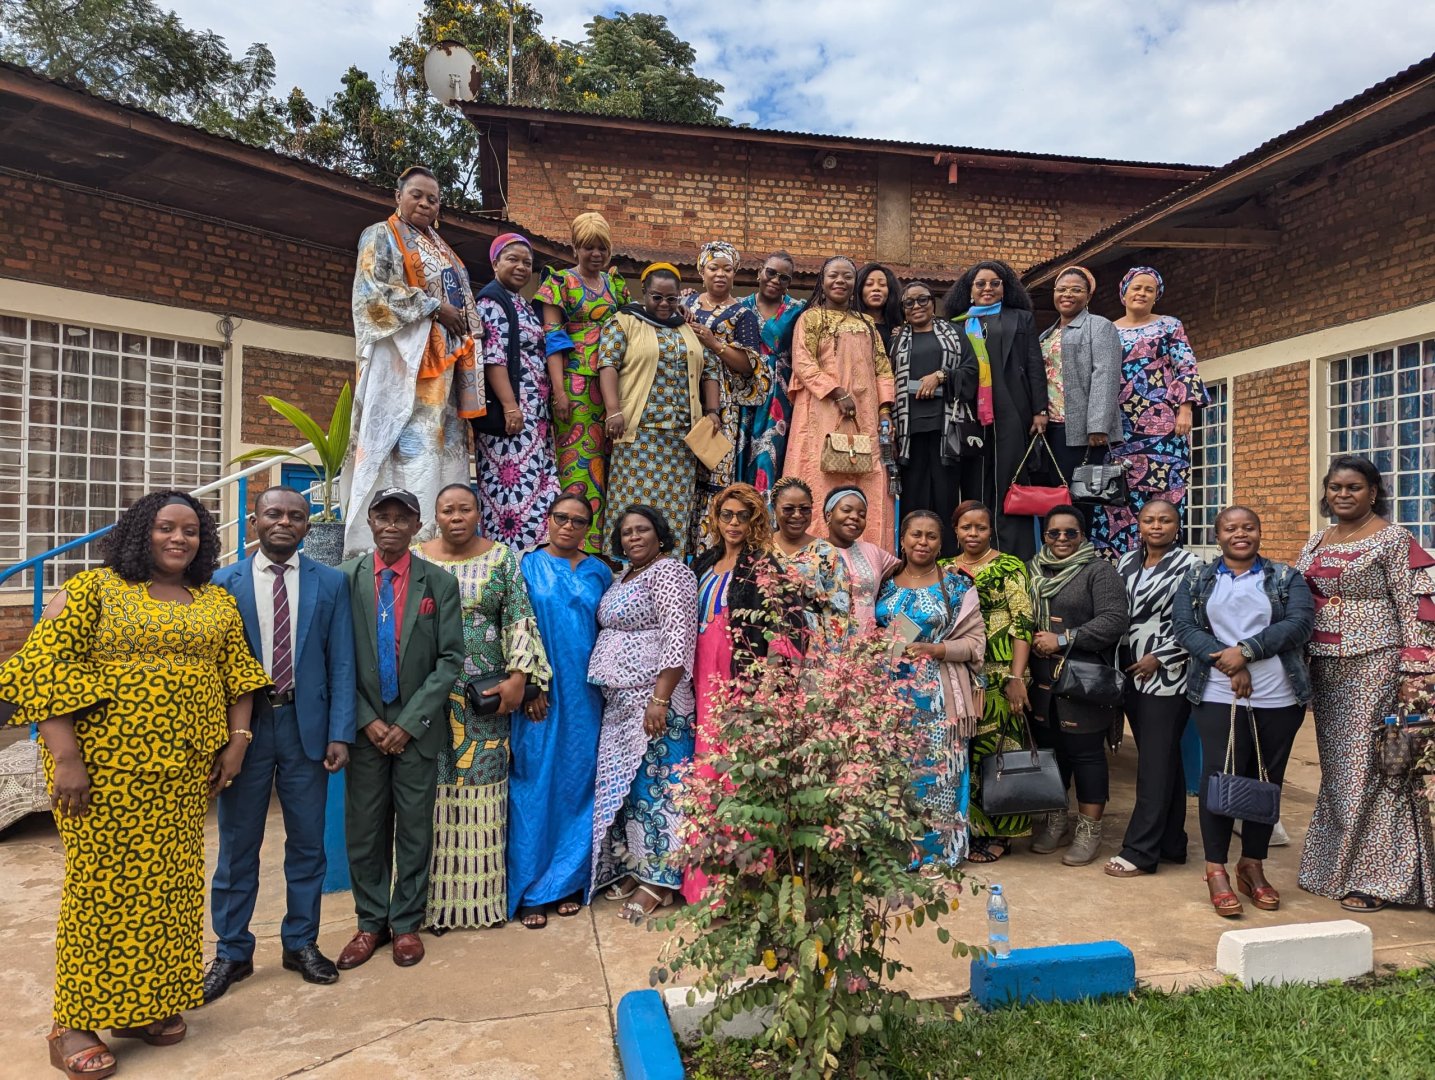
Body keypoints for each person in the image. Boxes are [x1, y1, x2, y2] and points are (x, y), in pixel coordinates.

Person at [0, 490, 268, 1079]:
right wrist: (65, 754)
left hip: (183, 775)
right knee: (102, 893)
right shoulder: (95, 591)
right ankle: (71, 1024)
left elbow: (240, 677)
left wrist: (237, 741)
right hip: (103, 774)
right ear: (140, 531)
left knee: (169, 893)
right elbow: (42, 670)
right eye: (167, 528)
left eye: (192, 531)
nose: (180, 539)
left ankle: (143, 1006)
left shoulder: (214, 602)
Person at [204, 486, 356, 1003]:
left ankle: (300, 943)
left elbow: (342, 663)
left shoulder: (330, 583)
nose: (284, 523)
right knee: (238, 842)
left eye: (295, 515)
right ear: (253, 521)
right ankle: (232, 951)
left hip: (305, 728)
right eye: (273, 514)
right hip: (243, 732)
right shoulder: (221, 584)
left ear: (307, 526)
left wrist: (340, 732)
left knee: (307, 843)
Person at [1295, 456, 1435, 911]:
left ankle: (1380, 878)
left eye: (1353, 487)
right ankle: (1332, 867)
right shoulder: (1318, 539)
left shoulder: (1394, 539)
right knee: (1340, 772)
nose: (1343, 494)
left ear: (1373, 491)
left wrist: (1415, 672)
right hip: (1326, 668)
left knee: (1376, 768)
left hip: (1376, 664)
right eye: (1335, 487)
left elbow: (1416, 605)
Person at [337, 487, 464, 969]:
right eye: (382, 516)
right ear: (369, 521)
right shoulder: (344, 579)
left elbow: (450, 658)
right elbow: (334, 659)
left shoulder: (437, 583)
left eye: (401, 518)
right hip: (363, 727)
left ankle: (406, 923)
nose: (391, 525)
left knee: (414, 828)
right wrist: (366, 719)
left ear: (417, 527)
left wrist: (409, 723)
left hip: (417, 729)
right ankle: (370, 923)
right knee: (365, 830)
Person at [416, 484, 552, 930]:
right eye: (447, 509)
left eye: (465, 509)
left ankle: (481, 903)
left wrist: (520, 679)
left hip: (484, 696)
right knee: (431, 794)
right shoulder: (418, 557)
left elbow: (517, 616)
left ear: (479, 513)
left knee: (484, 788)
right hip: (427, 696)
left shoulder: (502, 558)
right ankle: (436, 906)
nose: (456, 517)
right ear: (435, 515)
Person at [1173, 505, 1313, 916]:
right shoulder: (1198, 577)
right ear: (1218, 536)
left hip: (1278, 696)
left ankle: (1252, 865)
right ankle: (1216, 868)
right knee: (1220, 777)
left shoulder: (1286, 578)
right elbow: (1185, 628)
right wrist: (1227, 661)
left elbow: (1300, 624)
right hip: (1217, 693)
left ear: (1259, 533)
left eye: (1248, 527)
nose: (1240, 534)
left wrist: (1246, 653)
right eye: (1231, 528)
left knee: (1266, 781)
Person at [345, 165, 483, 556]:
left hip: (445, 368)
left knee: (443, 451)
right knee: (408, 447)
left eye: (433, 199)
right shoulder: (380, 234)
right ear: (398, 196)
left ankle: (441, 544)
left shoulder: (441, 246)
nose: (424, 203)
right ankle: (398, 545)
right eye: (417, 195)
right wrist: (435, 307)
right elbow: (373, 293)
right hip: (406, 365)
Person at [508, 494, 614, 925]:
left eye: (579, 521)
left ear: (589, 527)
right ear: (547, 520)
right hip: (540, 696)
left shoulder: (600, 571)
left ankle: (568, 881)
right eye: (561, 518)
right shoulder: (525, 566)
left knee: (577, 784)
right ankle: (532, 888)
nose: (568, 526)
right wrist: (531, 684)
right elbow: (513, 627)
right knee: (533, 784)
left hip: (587, 698)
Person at [589, 505, 698, 922]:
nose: (634, 537)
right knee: (634, 794)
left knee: (662, 791)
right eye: (627, 532)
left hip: (656, 702)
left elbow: (678, 634)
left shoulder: (670, 572)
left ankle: (662, 881)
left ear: (660, 535)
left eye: (643, 530)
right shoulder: (624, 576)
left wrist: (661, 698)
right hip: (622, 702)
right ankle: (639, 868)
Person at [682, 483, 778, 905]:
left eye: (743, 516)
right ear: (716, 520)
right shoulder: (703, 561)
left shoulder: (764, 565)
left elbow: (787, 629)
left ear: (755, 520)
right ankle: (704, 886)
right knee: (705, 766)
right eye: (727, 516)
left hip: (740, 676)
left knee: (735, 772)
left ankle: (741, 887)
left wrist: (767, 681)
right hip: (701, 671)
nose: (734, 523)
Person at [876, 510, 986, 866]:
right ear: (903, 540)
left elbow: (976, 643)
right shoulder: (885, 581)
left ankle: (937, 853)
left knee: (939, 774)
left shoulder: (955, 586)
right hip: (889, 695)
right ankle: (895, 852)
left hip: (939, 695)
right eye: (915, 535)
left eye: (931, 536)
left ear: (941, 543)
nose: (922, 543)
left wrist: (937, 649)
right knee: (894, 772)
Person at [1105, 498, 1203, 878]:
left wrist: (1161, 656)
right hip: (1129, 670)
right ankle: (1172, 843)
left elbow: (1199, 621)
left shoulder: (1192, 566)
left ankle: (1141, 851)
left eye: (1165, 520)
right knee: (1163, 760)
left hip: (1167, 674)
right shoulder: (1126, 562)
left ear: (1178, 526)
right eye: (1149, 520)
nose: (1157, 526)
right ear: (1139, 525)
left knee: (1154, 764)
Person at [1027, 505, 1130, 866]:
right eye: (1054, 533)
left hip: (1083, 682)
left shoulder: (1098, 571)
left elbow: (1115, 619)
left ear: (1082, 536)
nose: (1061, 540)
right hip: (1041, 683)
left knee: (1085, 755)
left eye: (1070, 533)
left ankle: (1089, 830)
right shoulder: (1034, 570)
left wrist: (1064, 638)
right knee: (1052, 754)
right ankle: (1057, 820)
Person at [598, 263, 722, 561]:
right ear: (645, 293)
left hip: (681, 441)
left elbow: (711, 369)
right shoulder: (624, 321)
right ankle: (622, 575)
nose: (665, 305)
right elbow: (608, 364)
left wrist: (713, 411)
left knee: (673, 512)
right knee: (630, 508)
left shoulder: (688, 327)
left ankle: (669, 574)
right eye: (657, 298)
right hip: (638, 436)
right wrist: (613, 410)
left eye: (671, 298)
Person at [1090, 267, 1209, 558]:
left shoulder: (1169, 325)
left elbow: (1186, 367)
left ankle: (1163, 567)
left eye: (1149, 290)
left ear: (1156, 297)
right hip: (1119, 431)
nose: (1141, 293)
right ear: (1124, 293)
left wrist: (1185, 410)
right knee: (1116, 501)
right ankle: (1117, 573)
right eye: (1137, 288)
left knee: (1163, 499)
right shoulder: (1107, 329)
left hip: (1163, 430)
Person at [536, 211, 630, 553]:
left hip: (613, 389)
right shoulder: (560, 283)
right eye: (588, 248)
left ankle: (606, 549)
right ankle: (577, 546)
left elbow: (633, 325)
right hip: (575, 387)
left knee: (609, 466)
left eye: (602, 248)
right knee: (578, 465)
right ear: (575, 247)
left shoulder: (615, 286)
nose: (596, 255)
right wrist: (559, 392)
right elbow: (553, 338)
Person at [941, 259, 1049, 559]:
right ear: (969, 290)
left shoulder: (1021, 318)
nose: (987, 288)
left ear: (1005, 288)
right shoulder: (958, 324)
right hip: (969, 413)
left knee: (1010, 480)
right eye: (980, 284)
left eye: (994, 283)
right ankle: (976, 551)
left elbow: (1034, 365)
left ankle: (1014, 555)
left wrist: (1040, 409)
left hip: (1012, 408)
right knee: (976, 478)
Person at [948, 500, 1036, 863]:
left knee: (1001, 751)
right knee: (963, 753)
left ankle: (1004, 832)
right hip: (958, 673)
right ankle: (969, 830)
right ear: (956, 531)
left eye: (980, 527)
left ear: (990, 530)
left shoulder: (1009, 566)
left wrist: (1017, 676)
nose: (973, 534)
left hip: (1001, 673)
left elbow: (1023, 622)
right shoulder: (944, 568)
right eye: (966, 527)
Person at [788, 255, 896, 548]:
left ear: (854, 284)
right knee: (820, 471)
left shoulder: (867, 323)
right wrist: (837, 392)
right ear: (822, 282)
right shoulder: (811, 318)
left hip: (865, 415)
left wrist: (885, 410)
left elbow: (883, 369)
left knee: (868, 474)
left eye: (847, 277)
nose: (840, 282)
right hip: (821, 410)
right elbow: (803, 362)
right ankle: (815, 549)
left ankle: (872, 552)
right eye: (833, 276)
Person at [682, 241, 771, 553]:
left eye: (727, 269)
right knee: (683, 475)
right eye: (713, 268)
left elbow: (751, 366)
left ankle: (709, 549)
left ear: (735, 274)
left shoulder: (743, 314)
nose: (720, 274)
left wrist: (714, 343)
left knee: (714, 474)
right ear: (701, 271)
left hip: (723, 408)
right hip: (683, 401)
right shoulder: (686, 303)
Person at [474, 233, 560, 550]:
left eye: (527, 262)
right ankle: (510, 570)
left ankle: (532, 567)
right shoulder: (492, 302)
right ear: (495, 263)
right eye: (512, 259)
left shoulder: (520, 303)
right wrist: (511, 406)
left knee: (541, 493)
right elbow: (492, 358)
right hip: (509, 423)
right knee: (512, 498)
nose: (521, 267)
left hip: (533, 420)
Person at [889, 281, 974, 558]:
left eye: (922, 299)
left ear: (933, 303)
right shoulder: (897, 340)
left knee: (946, 500)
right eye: (909, 302)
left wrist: (941, 375)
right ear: (902, 309)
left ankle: (948, 563)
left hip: (945, 430)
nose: (917, 306)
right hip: (909, 434)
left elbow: (971, 370)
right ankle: (913, 563)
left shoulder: (955, 334)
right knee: (914, 502)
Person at [1037, 265, 1123, 481]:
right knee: (1052, 496)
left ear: (1088, 296)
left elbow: (1105, 375)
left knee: (1078, 497)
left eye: (1076, 290)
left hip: (1082, 431)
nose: (1067, 295)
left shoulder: (1100, 327)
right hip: (1049, 427)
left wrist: (1098, 426)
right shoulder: (1047, 334)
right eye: (1061, 289)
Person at [737, 250, 807, 491]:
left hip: (779, 395)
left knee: (770, 455)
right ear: (759, 273)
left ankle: (766, 519)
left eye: (784, 278)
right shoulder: (738, 306)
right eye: (771, 273)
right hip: (743, 390)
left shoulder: (799, 311)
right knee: (740, 449)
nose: (776, 280)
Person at [769, 475, 852, 645]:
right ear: (773, 509)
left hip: (811, 648)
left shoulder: (827, 553)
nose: (797, 515)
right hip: (764, 642)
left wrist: (834, 661)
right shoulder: (759, 548)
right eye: (788, 509)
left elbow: (840, 612)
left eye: (805, 509)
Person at [824, 487, 899, 631]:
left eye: (862, 514)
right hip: (824, 646)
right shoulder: (813, 552)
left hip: (866, 645)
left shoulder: (872, 551)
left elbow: (908, 571)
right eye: (846, 510)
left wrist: (946, 569)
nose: (854, 517)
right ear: (829, 515)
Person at [856, 262, 903, 355]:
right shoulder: (850, 324)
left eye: (882, 285)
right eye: (869, 284)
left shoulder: (899, 327)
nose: (876, 288)